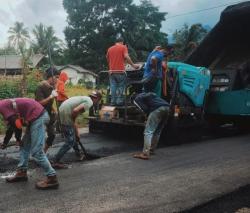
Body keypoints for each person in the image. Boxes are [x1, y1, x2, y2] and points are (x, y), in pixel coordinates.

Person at [0, 98, 59, 189]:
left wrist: (18, 139)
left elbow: (17, 125)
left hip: (39, 117)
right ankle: (22, 172)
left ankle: (52, 178)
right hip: (34, 117)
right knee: (24, 146)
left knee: (37, 152)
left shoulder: (2, 106)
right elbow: (12, 126)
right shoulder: (4, 105)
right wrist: (6, 142)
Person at [51, 91, 102, 168]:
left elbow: (75, 112)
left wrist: (76, 130)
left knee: (73, 136)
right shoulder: (89, 102)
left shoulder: (85, 98)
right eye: (98, 101)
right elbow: (75, 111)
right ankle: (56, 161)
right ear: (97, 99)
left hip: (61, 110)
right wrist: (75, 126)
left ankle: (78, 155)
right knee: (70, 141)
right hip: (66, 113)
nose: (97, 103)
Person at [132, 92, 169, 160]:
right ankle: (151, 150)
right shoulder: (147, 94)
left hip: (157, 109)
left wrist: (147, 118)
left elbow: (144, 109)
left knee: (148, 132)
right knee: (157, 131)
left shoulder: (136, 99)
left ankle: (145, 154)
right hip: (167, 107)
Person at [106, 37, 140, 106]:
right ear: (122, 42)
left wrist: (111, 64)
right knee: (121, 86)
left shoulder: (110, 48)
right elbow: (126, 56)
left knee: (113, 87)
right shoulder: (123, 47)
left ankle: (113, 102)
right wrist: (133, 65)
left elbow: (107, 57)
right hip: (120, 71)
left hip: (112, 72)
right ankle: (119, 101)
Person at [35, 67, 59, 152]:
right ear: (52, 77)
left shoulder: (52, 88)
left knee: (52, 135)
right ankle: (36, 153)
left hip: (49, 114)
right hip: (39, 115)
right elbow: (39, 103)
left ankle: (44, 152)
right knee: (39, 136)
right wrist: (51, 97)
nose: (57, 79)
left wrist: (53, 108)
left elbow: (49, 102)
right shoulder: (41, 86)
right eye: (57, 77)